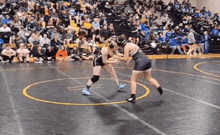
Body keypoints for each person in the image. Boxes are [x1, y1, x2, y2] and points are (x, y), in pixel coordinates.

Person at [114, 36, 163, 103]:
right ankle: (159, 88)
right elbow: (134, 54)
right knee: (148, 77)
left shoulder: (126, 47)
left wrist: (116, 57)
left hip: (140, 62)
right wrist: (128, 61)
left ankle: (132, 97)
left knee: (133, 80)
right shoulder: (131, 44)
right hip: (147, 60)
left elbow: (125, 58)